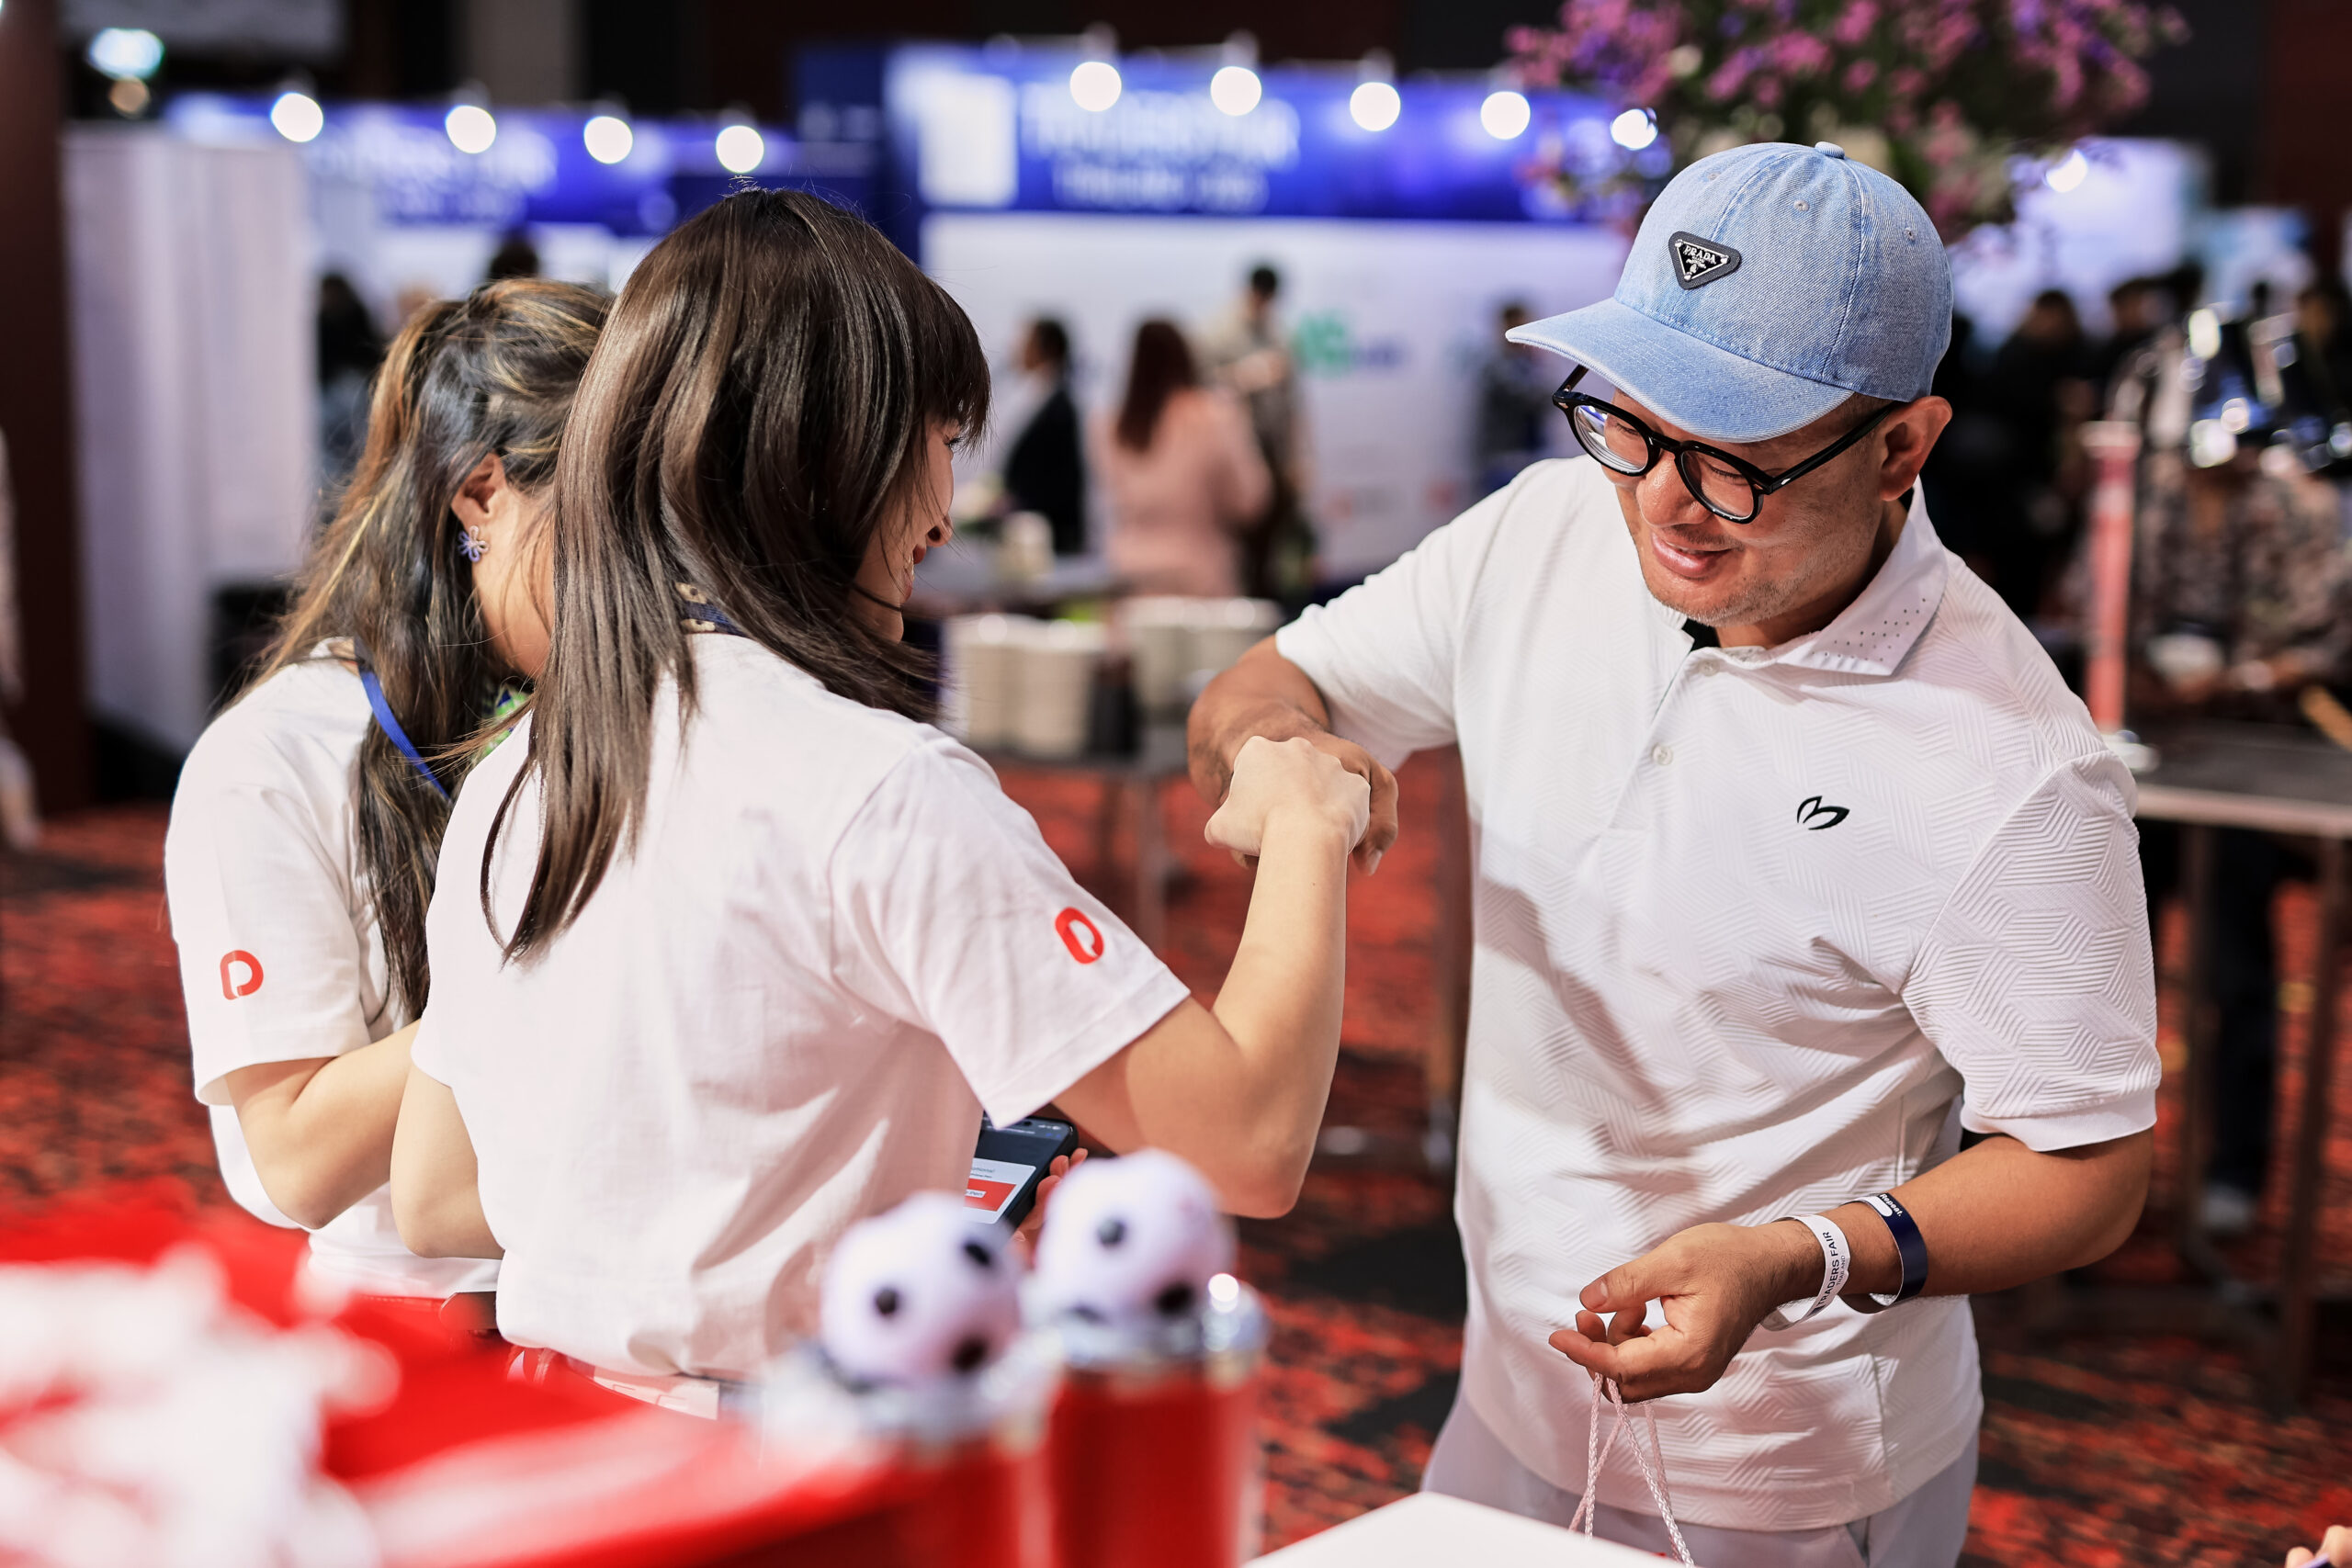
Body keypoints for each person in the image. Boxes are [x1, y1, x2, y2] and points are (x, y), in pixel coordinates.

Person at [1190, 141, 2159, 1566]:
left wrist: (1800, 1252)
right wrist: (1286, 759)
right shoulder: (1542, 530)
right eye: (1632, 420)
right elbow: (1264, 688)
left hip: (1791, 1465)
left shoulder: (2010, 764)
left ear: (1904, 444)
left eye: (1737, 457)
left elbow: (2091, 1161)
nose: (1665, 499)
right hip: (1501, 1387)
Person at [389, 191, 1372, 1396]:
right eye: (937, 437)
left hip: (553, 1449)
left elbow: (440, 1195)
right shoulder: (877, 790)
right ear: (832, 448)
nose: (944, 510)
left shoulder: (523, 768)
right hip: (790, 1471)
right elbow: (1251, 1141)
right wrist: (1312, 821)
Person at [164, 279, 608, 1310]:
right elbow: (297, 1162)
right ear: (481, 495)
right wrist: (575, 963)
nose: (646, 573)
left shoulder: (621, 704)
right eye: (612, 520)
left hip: (646, 1292)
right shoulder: (273, 759)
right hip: (436, 1316)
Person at [1094, 319, 1271, 599]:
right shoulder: (1214, 414)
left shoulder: (1111, 426)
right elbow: (1249, 501)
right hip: (1201, 577)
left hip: (1131, 576)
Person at [1202, 264, 1313, 600]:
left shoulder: (1281, 337)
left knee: (1274, 546)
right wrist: (1245, 377)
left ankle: (1270, 610)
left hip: (1271, 451)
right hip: (1233, 451)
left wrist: (1298, 458)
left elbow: (1294, 405)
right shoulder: (1218, 333)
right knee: (1238, 544)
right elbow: (1201, 393)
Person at [1001, 316, 1088, 556]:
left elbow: (1057, 481)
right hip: (1034, 534)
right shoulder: (1038, 397)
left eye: (1027, 342)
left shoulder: (1060, 407)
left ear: (1047, 348)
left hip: (1050, 540)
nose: (1019, 349)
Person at [1475, 301, 1558, 496]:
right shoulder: (1496, 365)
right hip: (1505, 457)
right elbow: (1530, 399)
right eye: (1520, 325)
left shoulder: (1529, 364)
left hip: (1532, 453)